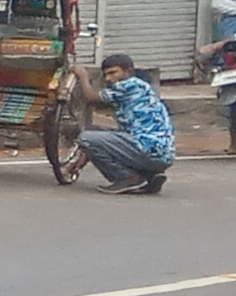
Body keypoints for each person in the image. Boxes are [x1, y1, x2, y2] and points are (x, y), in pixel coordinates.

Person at [72, 50, 173, 194]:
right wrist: (86, 155)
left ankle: (127, 178)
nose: (108, 78)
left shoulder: (128, 85)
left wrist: (82, 76)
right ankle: (149, 175)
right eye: (106, 75)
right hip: (163, 154)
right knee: (100, 135)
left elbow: (91, 97)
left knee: (86, 138)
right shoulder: (143, 87)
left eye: (113, 73)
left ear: (129, 71)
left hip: (147, 148)